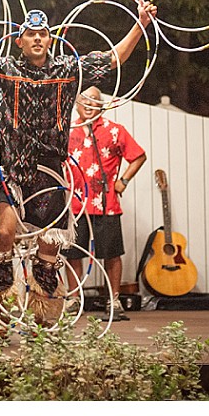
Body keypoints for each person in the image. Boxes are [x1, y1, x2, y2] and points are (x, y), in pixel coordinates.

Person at [0, 0, 157, 325]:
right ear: (20, 40)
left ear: (50, 39)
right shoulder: (1, 71)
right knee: (3, 234)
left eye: (43, 33)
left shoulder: (67, 71)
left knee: (48, 253)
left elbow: (113, 59)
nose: (38, 39)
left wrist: (141, 23)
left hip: (52, 175)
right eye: (31, 34)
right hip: (11, 171)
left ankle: (43, 318)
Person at [65, 87, 146, 322]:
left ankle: (113, 300)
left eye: (95, 101)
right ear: (76, 104)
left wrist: (124, 181)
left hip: (106, 203)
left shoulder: (114, 131)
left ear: (102, 105)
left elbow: (138, 156)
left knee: (111, 254)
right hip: (75, 204)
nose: (89, 105)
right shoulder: (67, 130)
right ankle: (74, 299)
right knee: (72, 253)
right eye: (84, 101)